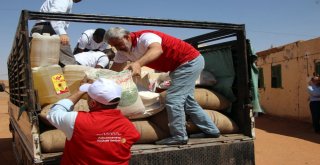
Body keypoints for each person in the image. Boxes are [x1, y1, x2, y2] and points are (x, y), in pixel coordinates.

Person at [104, 27, 220, 145]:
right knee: (188, 102)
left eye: (119, 44)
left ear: (127, 37)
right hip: (178, 67)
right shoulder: (123, 52)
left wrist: (138, 63)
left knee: (173, 99)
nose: (118, 48)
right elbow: (114, 71)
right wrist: (99, 79)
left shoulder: (145, 37)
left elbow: (156, 50)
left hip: (189, 62)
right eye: (115, 46)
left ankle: (179, 136)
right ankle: (211, 130)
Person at [47, 78, 140, 164]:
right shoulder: (130, 128)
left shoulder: (77, 121)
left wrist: (79, 92)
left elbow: (53, 113)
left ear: (93, 103)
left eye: (88, 98)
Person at [31, 0, 82, 67]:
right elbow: (55, 15)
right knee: (68, 60)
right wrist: (61, 33)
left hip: (48, 27)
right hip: (48, 28)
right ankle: (76, 73)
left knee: (48, 61)